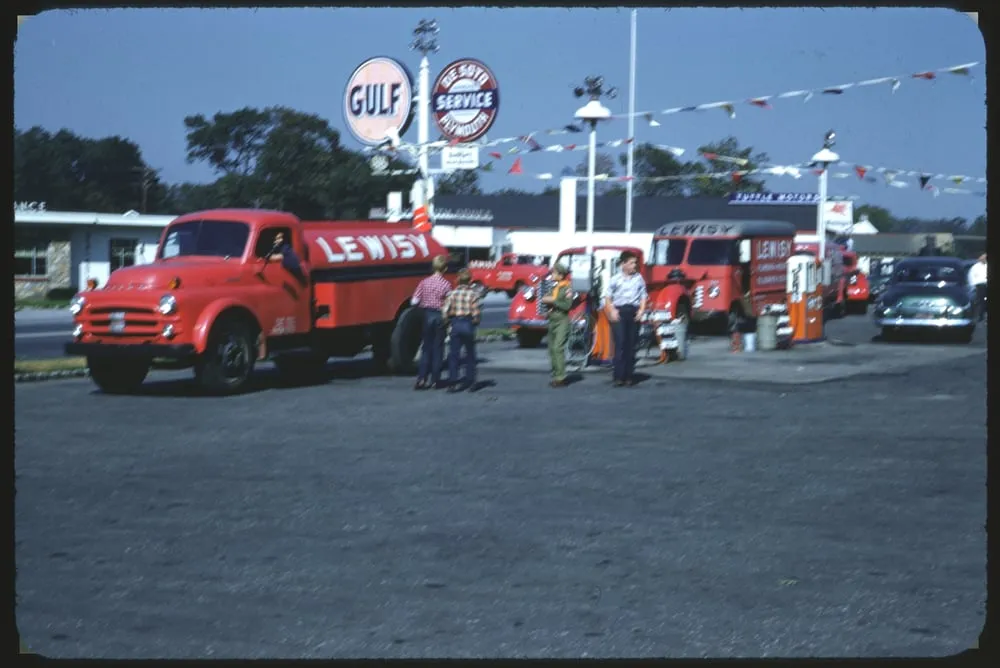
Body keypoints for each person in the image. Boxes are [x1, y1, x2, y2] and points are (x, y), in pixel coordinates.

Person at [605, 250, 648, 387]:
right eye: (631, 263)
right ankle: (619, 376)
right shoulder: (615, 279)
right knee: (620, 343)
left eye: (635, 263)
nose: (634, 265)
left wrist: (641, 311)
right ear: (623, 264)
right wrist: (612, 311)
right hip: (620, 311)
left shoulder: (639, 278)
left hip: (633, 312)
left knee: (631, 344)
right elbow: (607, 297)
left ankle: (629, 376)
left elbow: (643, 296)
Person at [411, 255, 452, 390]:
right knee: (438, 349)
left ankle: (422, 378)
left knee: (426, 348)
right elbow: (449, 303)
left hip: (427, 314)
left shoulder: (424, 282)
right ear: (444, 268)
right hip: (439, 315)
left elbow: (414, 301)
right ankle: (436, 379)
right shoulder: (446, 284)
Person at [442, 268, 482, 392]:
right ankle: (470, 381)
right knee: (470, 353)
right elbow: (476, 312)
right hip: (468, 323)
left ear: (458, 279)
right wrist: (475, 320)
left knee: (454, 354)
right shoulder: (473, 294)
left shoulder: (452, 294)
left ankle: (452, 382)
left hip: (456, 322)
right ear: (470, 280)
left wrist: (448, 321)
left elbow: (445, 311)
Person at [541, 263, 573, 388]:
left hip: (562, 320)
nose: (552, 275)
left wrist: (553, 301)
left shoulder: (567, 288)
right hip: (552, 319)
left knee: (558, 348)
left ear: (561, 275)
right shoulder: (554, 287)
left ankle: (561, 377)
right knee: (551, 349)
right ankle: (555, 374)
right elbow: (547, 300)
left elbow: (567, 306)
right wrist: (547, 308)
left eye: (554, 273)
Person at [968, 253, 987, 322]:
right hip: (979, 286)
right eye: (983, 258)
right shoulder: (975, 267)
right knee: (980, 301)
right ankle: (980, 316)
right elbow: (971, 277)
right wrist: (973, 286)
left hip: (986, 285)